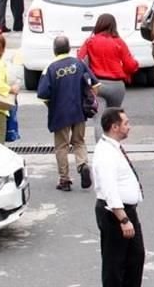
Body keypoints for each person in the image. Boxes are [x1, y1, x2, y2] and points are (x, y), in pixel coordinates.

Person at [93, 108, 145, 287]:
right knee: (115, 265)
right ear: (115, 127)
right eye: (126, 123)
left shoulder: (113, 148)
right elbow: (110, 190)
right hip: (115, 214)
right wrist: (123, 220)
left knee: (135, 259)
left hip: (126, 211)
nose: (129, 127)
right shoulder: (106, 154)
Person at [38, 35, 98, 191]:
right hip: (79, 111)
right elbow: (95, 84)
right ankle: (83, 164)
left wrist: (51, 105)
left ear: (54, 50)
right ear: (69, 48)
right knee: (79, 141)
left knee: (62, 146)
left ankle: (64, 180)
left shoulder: (50, 68)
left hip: (60, 113)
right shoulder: (79, 64)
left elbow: (43, 94)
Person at [78, 14, 139, 138]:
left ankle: (101, 149)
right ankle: (113, 147)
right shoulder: (119, 42)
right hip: (117, 86)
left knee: (99, 120)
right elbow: (131, 65)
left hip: (98, 85)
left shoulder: (90, 42)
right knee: (115, 120)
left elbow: (79, 61)